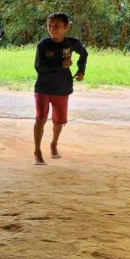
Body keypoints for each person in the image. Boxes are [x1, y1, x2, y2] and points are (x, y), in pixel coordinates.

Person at [32, 12, 88, 164]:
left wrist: (81, 70)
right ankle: (37, 151)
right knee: (40, 119)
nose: (52, 29)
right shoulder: (43, 45)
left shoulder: (72, 43)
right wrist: (59, 65)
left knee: (59, 121)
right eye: (49, 26)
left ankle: (54, 144)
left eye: (57, 26)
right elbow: (39, 66)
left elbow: (84, 54)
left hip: (62, 87)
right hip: (43, 87)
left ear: (66, 27)